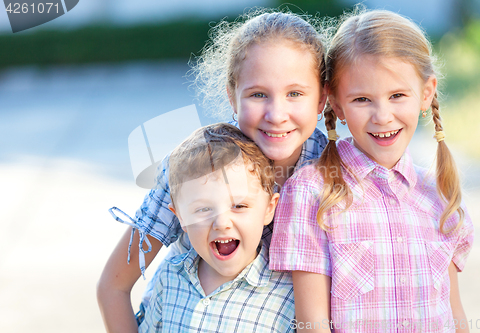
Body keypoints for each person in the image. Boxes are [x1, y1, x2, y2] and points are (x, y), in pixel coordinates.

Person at [97, 9, 332, 333]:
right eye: (258, 94)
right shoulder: (194, 165)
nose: (277, 114)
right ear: (232, 96)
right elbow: (114, 286)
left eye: (295, 93)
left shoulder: (336, 175)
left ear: (322, 98)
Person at [269, 8, 474, 333]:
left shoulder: (439, 194)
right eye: (363, 99)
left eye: (397, 96)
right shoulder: (312, 192)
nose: (382, 116)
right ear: (337, 105)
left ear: (426, 93)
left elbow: (454, 312)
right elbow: (312, 324)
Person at [134, 123, 294, 332]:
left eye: (239, 206)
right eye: (203, 209)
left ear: (268, 209)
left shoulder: (288, 297)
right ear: (181, 217)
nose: (221, 223)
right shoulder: (170, 276)